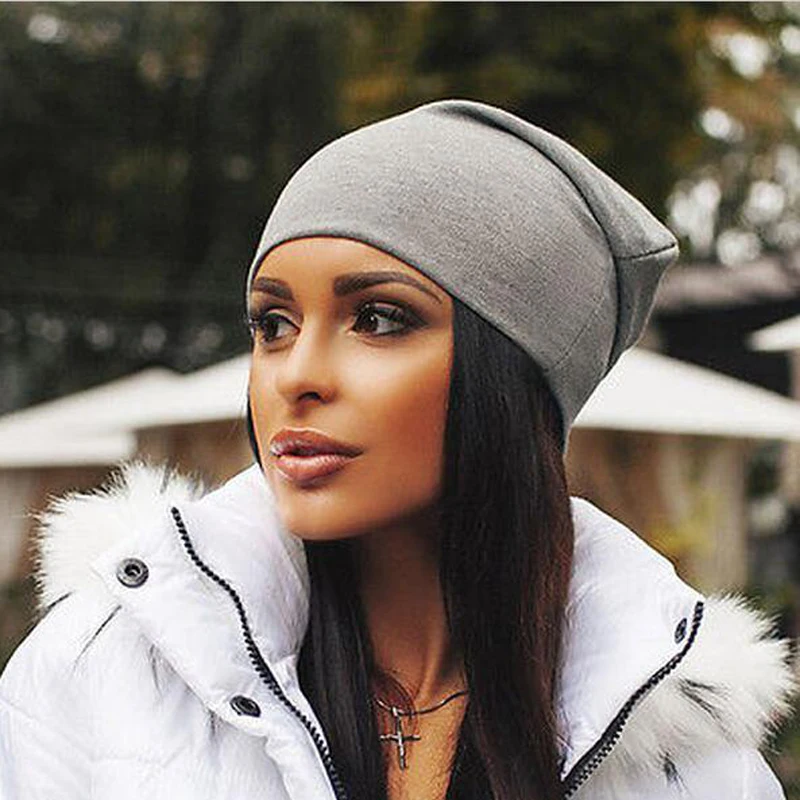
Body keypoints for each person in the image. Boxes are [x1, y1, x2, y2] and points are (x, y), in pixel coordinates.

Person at [0, 99, 796, 800]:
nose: (297, 375)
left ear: (511, 375)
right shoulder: (109, 663)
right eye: (273, 324)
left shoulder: (681, 757)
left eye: (378, 319)